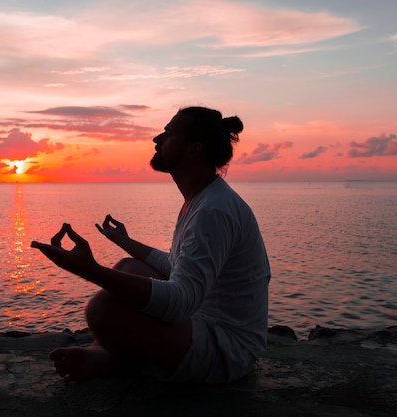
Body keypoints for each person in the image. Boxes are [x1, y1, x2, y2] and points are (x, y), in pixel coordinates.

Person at [31, 106, 270, 384]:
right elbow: (177, 267)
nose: (157, 139)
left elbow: (181, 302)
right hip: (205, 322)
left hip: (226, 351)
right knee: (128, 266)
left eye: (168, 134)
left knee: (103, 309)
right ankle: (107, 354)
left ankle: (113, 358)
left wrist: (89, 269)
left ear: (194, 149)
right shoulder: (203, 199)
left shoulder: (213, 210)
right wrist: (125, 242)